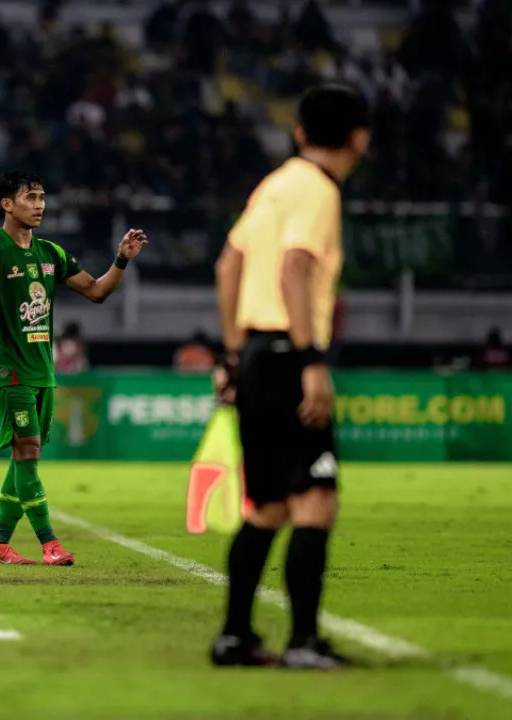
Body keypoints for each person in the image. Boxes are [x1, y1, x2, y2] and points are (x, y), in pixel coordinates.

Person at [211, 85, 370, 669]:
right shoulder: (318, 190)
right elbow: (294, 269)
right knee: (316, 501)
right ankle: (303, 642)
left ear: (300, 133)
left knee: (268, 507)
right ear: (360, 138)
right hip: (288, 356)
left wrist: (232, 355)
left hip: (254, 354)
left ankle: (234, 636)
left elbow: (228, 266)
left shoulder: (273, 185)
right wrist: (311, 362)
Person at [0, 170, 147, 566]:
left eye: (41, 197)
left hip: (41, 370)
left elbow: (98, 291)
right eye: (30, 197)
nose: (39, 205)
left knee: (23, 457)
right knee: (29, 451)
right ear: (5, 204)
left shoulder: (51, 253)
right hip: (8, 370)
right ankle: (50, 543)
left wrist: (121, 259)